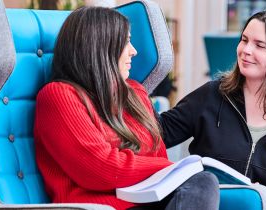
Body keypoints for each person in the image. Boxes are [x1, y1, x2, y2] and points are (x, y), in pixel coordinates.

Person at [33, 6, 219, 210]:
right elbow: (101, 168)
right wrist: (175, 169)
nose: (134, 51)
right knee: (200, 180)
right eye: (126, 41)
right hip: (98, 206)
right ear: (99, 46)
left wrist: (177, 171)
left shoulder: (135, 93)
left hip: (148, 200)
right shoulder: (59, 96)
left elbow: (157, 155)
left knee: (204, 182)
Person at [160, 9, 266, 210]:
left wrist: (264, 202)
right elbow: (158, 132)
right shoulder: (212, 94)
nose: (246, 50)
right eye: (244, 40)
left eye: (259, 45)